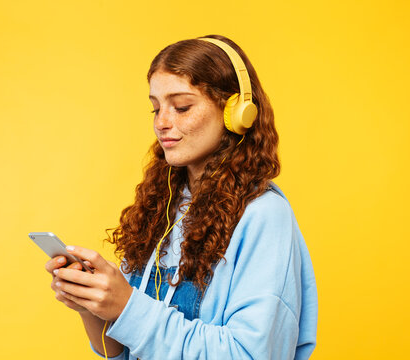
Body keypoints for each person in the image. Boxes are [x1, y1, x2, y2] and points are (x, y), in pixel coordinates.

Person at [44, 34, 318, 360]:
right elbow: (120, 353)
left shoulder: (263, 215)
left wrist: (128, 306)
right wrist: (94, 306)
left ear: (237, 112)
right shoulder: (161, 207)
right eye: (156, 108)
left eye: (182, 107)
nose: (162, 122)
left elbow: (249, 354)